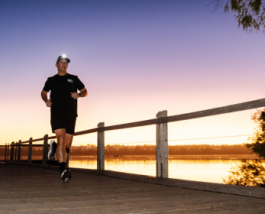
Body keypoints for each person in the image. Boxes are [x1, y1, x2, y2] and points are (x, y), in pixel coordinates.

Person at [41, 55, 88, 183]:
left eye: (65, 63)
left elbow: (85, 91)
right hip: (57, 113)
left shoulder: (74, 79)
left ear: (67, 65)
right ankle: (63, 170)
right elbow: (43, 92)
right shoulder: (51, 80)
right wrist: (46, 101)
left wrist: (78, 94)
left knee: (67, 145)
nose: (63, 64)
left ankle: (54, 146)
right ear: (56, 65)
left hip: (71, 114)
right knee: (61, 139)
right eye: (61, 62)